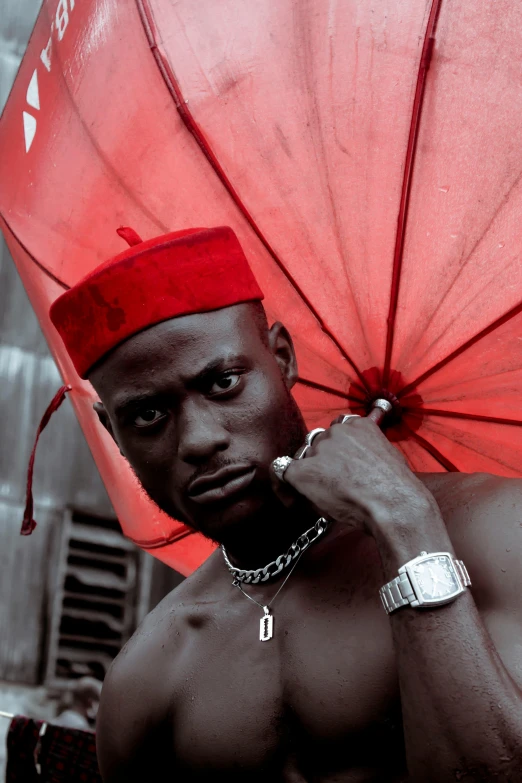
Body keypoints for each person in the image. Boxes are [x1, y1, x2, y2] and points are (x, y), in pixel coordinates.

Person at [50, 226, 522, 782]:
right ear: (110, 430)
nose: (199, 440)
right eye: (149, 416)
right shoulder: (146, 680)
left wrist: (403, 520)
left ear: (282, 358)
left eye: (223, 382)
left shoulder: (492, 532)